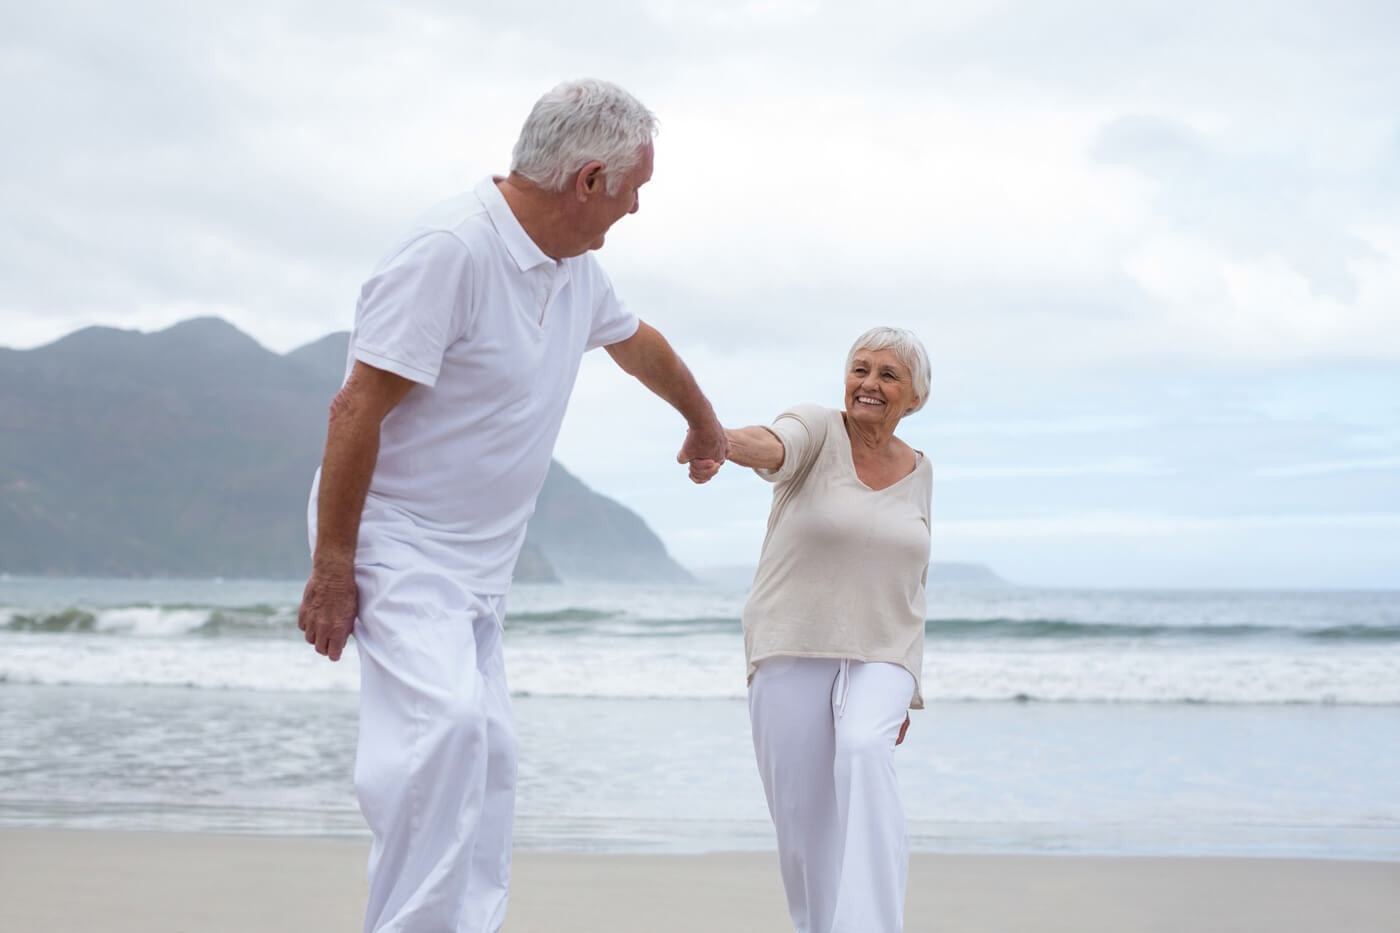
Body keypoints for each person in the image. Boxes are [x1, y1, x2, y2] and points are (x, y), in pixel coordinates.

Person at [296, 78, 728, 933]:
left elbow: (639, 347)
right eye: (635, 188)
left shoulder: (573, 269)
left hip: (479, 561)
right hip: (397, 536)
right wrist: (333, 570)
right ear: (589, 180)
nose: (636, 207)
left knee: (489, 755)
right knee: (441, 737)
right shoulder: (449, 251)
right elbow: (354, 410)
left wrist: (704, 422)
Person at [723, 326, 932, 933]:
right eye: (860, 369)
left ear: (914, 397)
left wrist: (906, 682)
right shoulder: (817, 429)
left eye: (888, 374)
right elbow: (772, 445)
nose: (870, 384)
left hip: (883, 653)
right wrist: (722, 441)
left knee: (867, 750)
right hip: (791, 639)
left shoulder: (921, 471)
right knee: (803, 820)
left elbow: (914, 579)